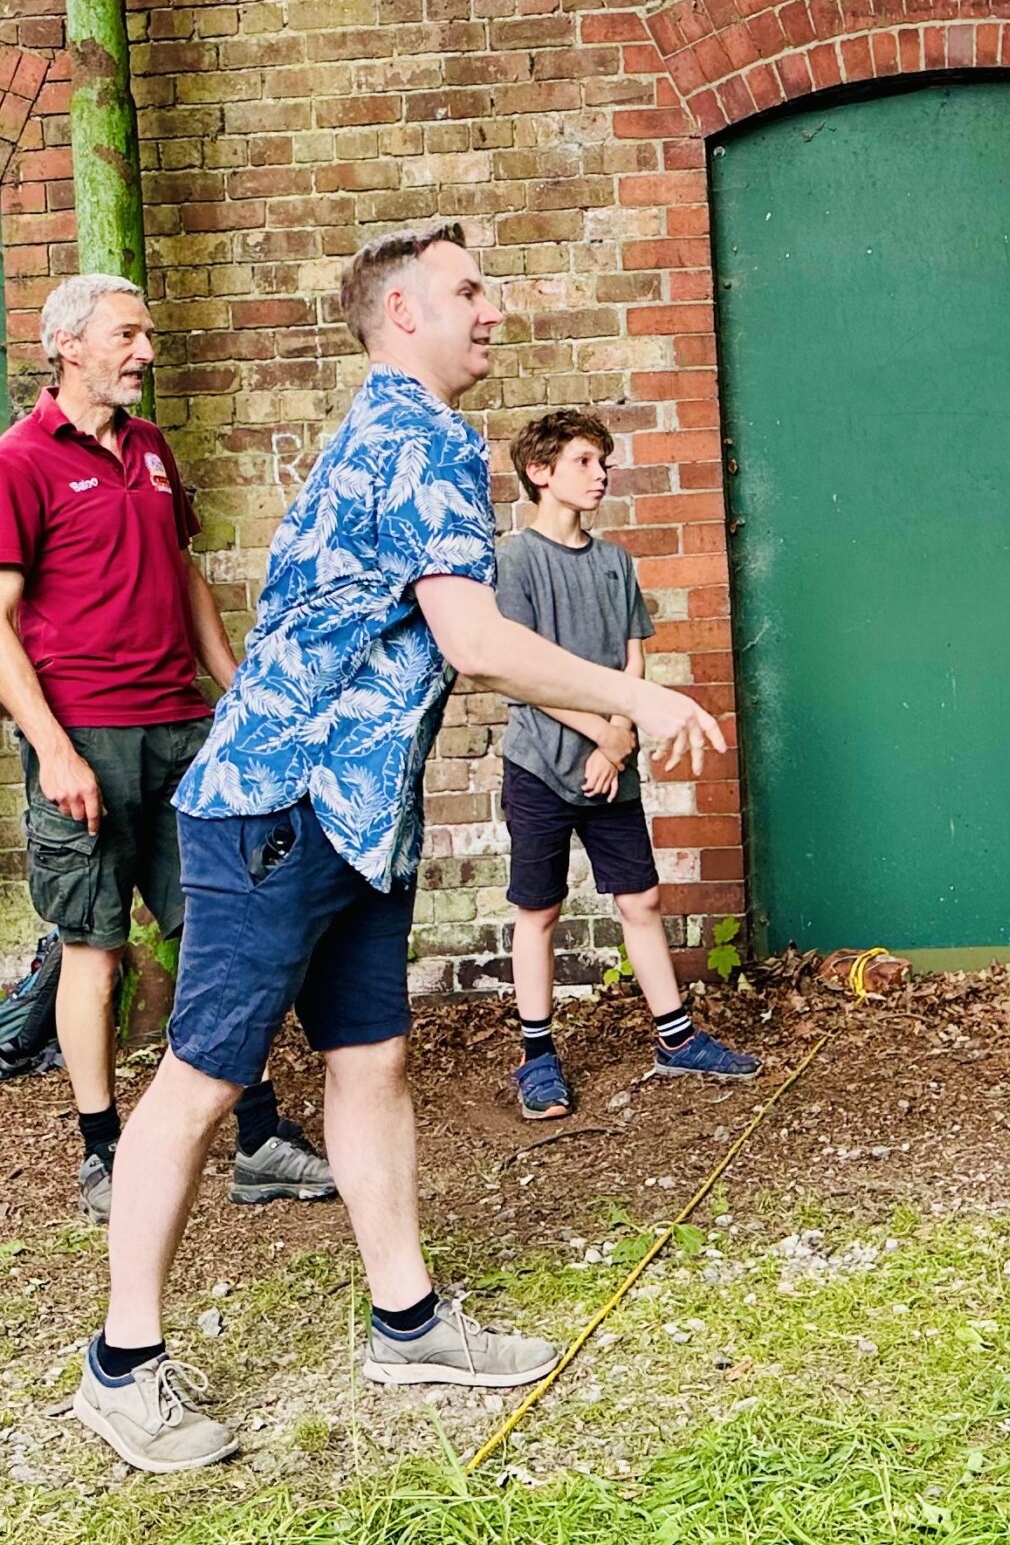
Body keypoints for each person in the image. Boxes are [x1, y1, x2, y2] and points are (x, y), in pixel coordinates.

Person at [75, 223, 726, 1474]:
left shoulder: (407, 435)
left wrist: (596, 706)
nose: (495, 309)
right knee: (202, 1080)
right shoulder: (415, 437)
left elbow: (449, 643)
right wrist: (634, 699)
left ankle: (408, 1321)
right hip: (278, 808)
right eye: (470, 291)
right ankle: (121, 1365)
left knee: (371, 1062)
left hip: (354, 817)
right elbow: (474, 636)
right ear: (401, 316)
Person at [0, 274, 334, 1220]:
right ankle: (103, 1151)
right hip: (86, 741)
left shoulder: (149, 449)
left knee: (221, 933)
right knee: (93, 947)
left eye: (146, 335)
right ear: (69, 345)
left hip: (183, 729)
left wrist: (237, 693)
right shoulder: (20, 461)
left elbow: (183, 574)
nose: (146, 351)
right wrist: (55, 752)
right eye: (128, 335)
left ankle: (259, 1137)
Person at [497, 408, 757, 1117]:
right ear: (540, 472)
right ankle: (537, 1059)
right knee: (539, 910)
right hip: (540, 767)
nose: (600, 473)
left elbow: (633, 656)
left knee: (639, 899)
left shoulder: (615, 563)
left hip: (614, 760)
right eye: (584, 461)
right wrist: (602, 737)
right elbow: (520, 672)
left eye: (603, 461)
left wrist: (619, 737)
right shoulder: (515, 560)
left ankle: (674, 1039)